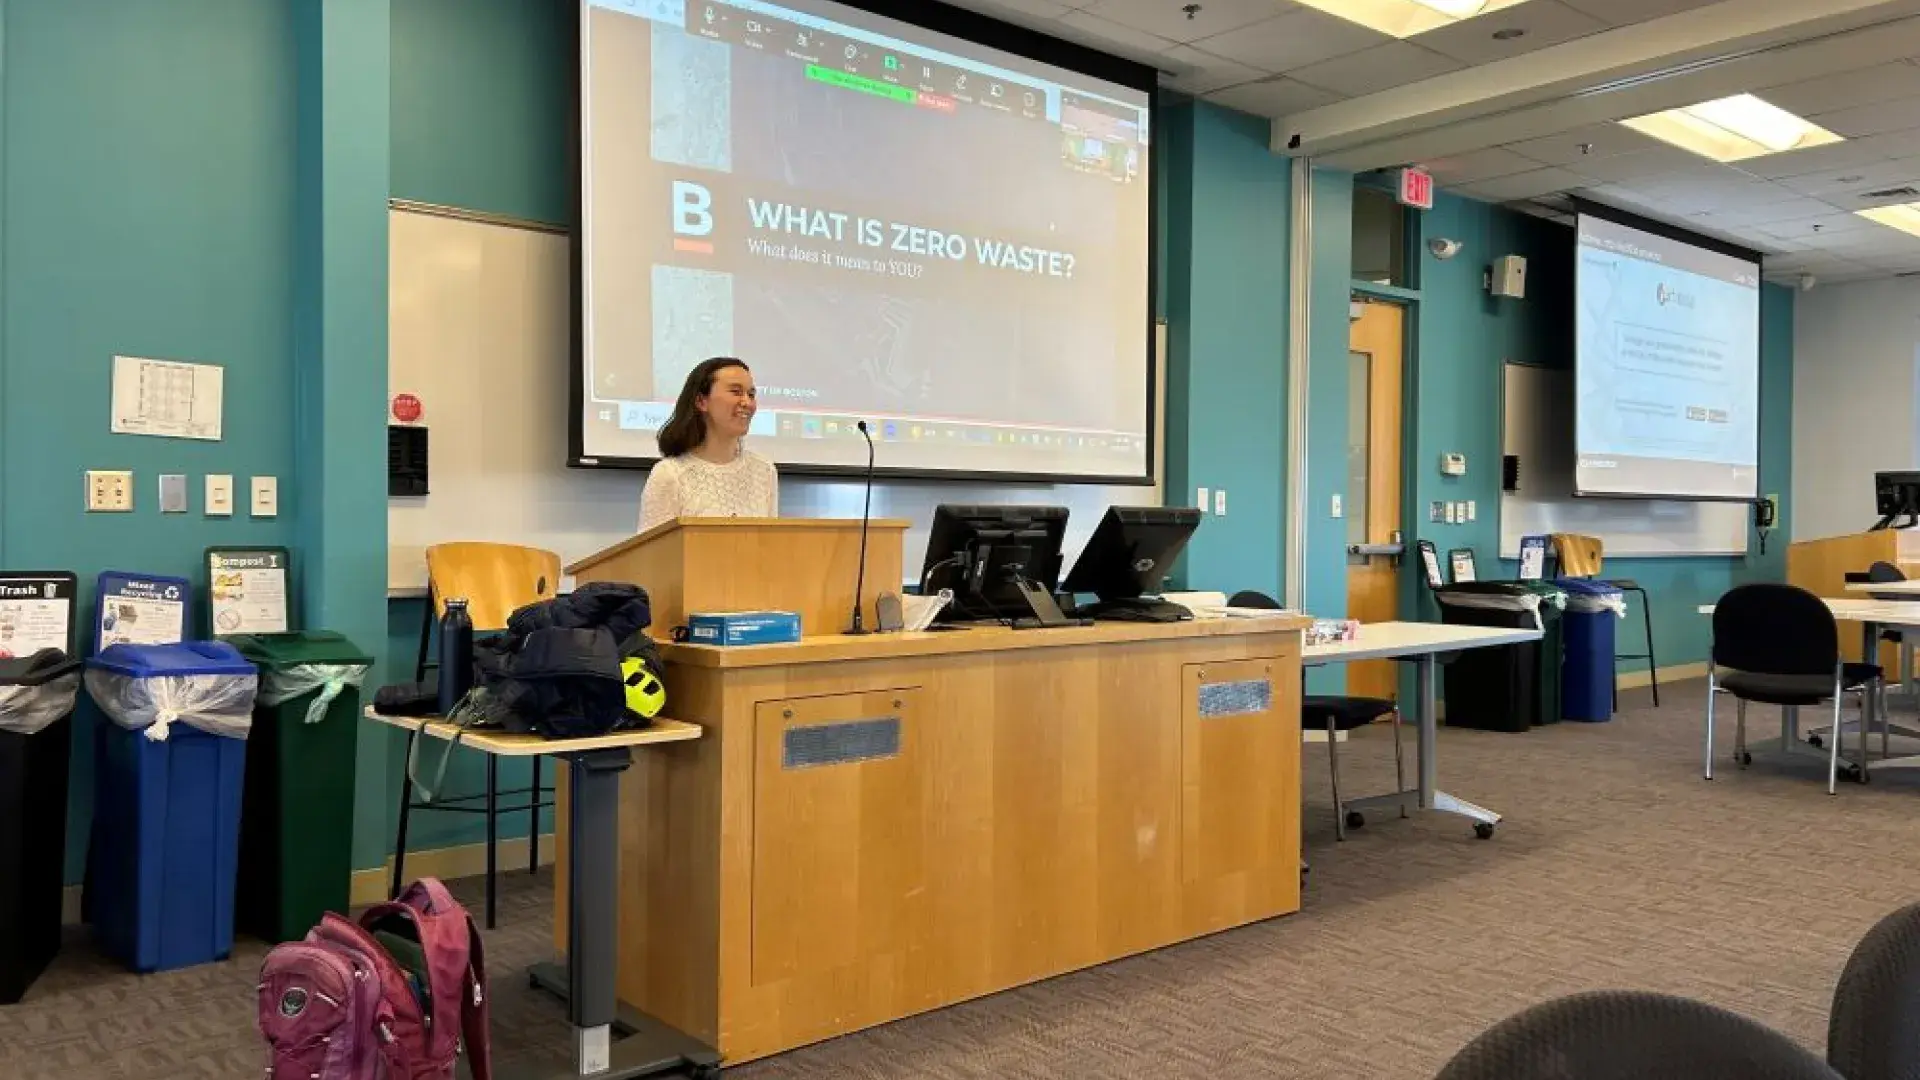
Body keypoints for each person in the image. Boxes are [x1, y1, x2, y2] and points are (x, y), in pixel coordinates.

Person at [638, 357, 779, 531]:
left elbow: (769, 546)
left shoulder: (764, 471)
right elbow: (653, 554)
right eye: (736, 392)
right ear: (701, 401)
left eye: (751, 394)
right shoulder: (669, 475)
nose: (747, 403)